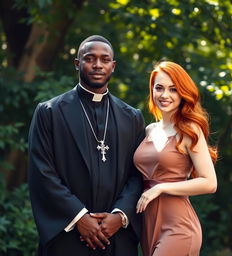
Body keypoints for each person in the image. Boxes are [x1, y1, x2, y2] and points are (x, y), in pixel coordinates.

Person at [28, 35, 145, 256]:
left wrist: (120, 216)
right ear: (77, 63)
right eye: (90, 58)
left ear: (113, 65)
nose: (98, 65)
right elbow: (42, 172)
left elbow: (139, 174)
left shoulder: (132, 117)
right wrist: (79, 216)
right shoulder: (50, 112)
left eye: (104, 59)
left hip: (117, 237)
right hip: (68, 235)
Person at [133, 61, 218, 256]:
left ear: (182, 93)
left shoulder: (190, 130)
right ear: (152, 90)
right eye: (159, 88)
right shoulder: (149, 130)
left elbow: (209, 183)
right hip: (148, 224)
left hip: (179, 227)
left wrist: (161, 187)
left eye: (173, 89)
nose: (165, 95)